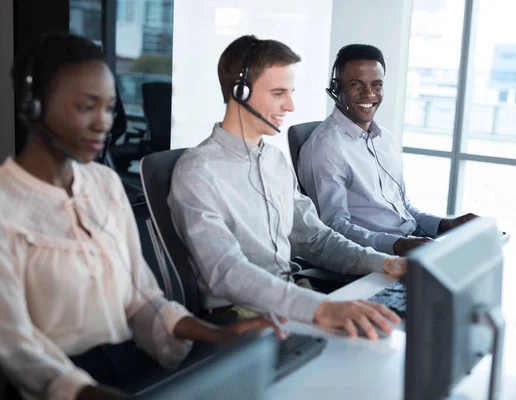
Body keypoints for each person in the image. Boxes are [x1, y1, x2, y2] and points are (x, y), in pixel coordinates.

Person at [0, 32, 282, 400]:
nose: (104, 123)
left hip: (132, 367)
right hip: (64, 386)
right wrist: (85, 392)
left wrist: (216, 335)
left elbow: (141, 297)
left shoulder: (104, 184)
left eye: (109, 107)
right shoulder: (8, 205)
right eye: (87, 107)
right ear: (33, 105)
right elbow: (16, 345)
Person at [169, 35, 407, 343]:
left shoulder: (274, 160)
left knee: (386, 339)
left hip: (294, 298)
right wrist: (321, 307)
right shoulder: (199, 171)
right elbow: (227, 272)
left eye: (290, 92)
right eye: (278, 93)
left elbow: (316, 238)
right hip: (242, 318)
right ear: (240, 92)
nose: (291, 106)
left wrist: (385, 262)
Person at [297, 44, 477, 256]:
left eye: (377, 84)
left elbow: (403, 210)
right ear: (336, 88)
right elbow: (333, 228)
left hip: (407, 244)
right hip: (373, 258)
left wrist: (446, 225)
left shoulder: (385, 139)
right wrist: (397, 244)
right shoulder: (325, 149)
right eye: (356, 84)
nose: (369, 94)